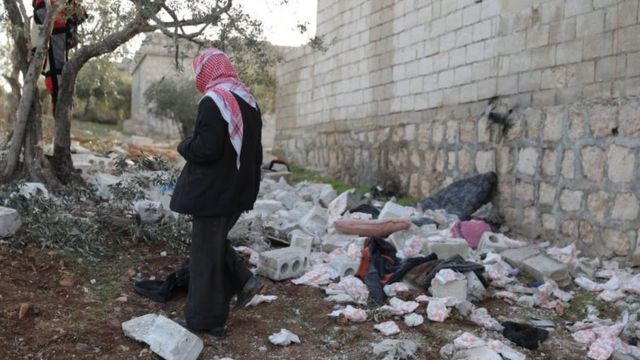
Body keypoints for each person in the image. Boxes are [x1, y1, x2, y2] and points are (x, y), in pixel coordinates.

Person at [170, 48, 264, 337]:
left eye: (199, 71)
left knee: (203, 260)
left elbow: (207, 149)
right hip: (238, 191)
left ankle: (204, 321)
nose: (198, 78)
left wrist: (184, 145)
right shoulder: (248, 100)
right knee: (212, 247)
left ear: (207, 71)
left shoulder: (214, 101)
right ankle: (242, 279)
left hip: (214, 193)